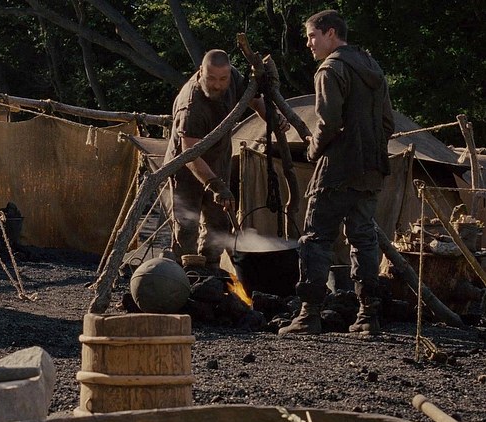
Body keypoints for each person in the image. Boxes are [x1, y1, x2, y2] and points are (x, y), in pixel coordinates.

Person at [279, 10, 394, 336]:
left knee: (316, 238)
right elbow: (387, 123)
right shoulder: (372, 67)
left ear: (330, 33)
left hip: (337, 169)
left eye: (312, 36)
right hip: (371, 168)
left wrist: (314, 150)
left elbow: (329, 122)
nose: (308, 43)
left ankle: (308, 315)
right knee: (364, 238)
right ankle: (368, 317)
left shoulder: (331, 69)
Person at [164, 49, 288, 271]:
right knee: (186, 226)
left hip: (218, 161)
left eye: (223, 79)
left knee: (218, 223)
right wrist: (215, 184)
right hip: (186, 169)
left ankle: (210, 270)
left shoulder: (234, 79)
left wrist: (273, 118)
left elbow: (255, 101)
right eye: (211, 78)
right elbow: (189, 152)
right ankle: (185, 275)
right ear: (201, 71)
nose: (217, 85)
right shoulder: (191, 105)